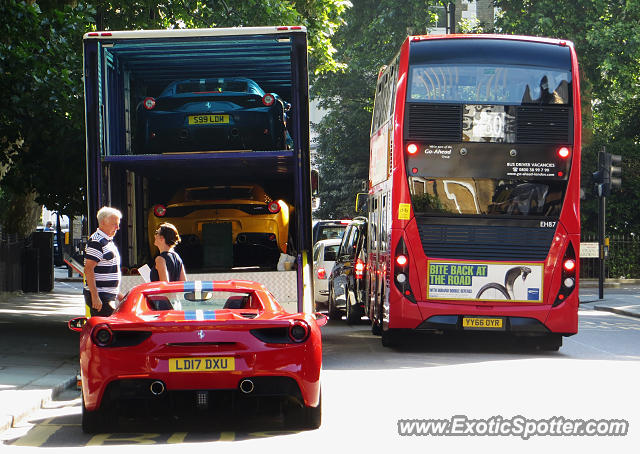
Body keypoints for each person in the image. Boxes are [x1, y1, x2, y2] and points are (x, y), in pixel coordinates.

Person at [83, 207, 123, 317]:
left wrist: (119, 295)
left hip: (106, 295)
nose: (117, 228)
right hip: (101, 296)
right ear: (103, 223)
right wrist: (95, 296)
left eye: (118, 224)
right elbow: (88, 269)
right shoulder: (96, 241)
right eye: (114, 224)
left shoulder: (107, 241)